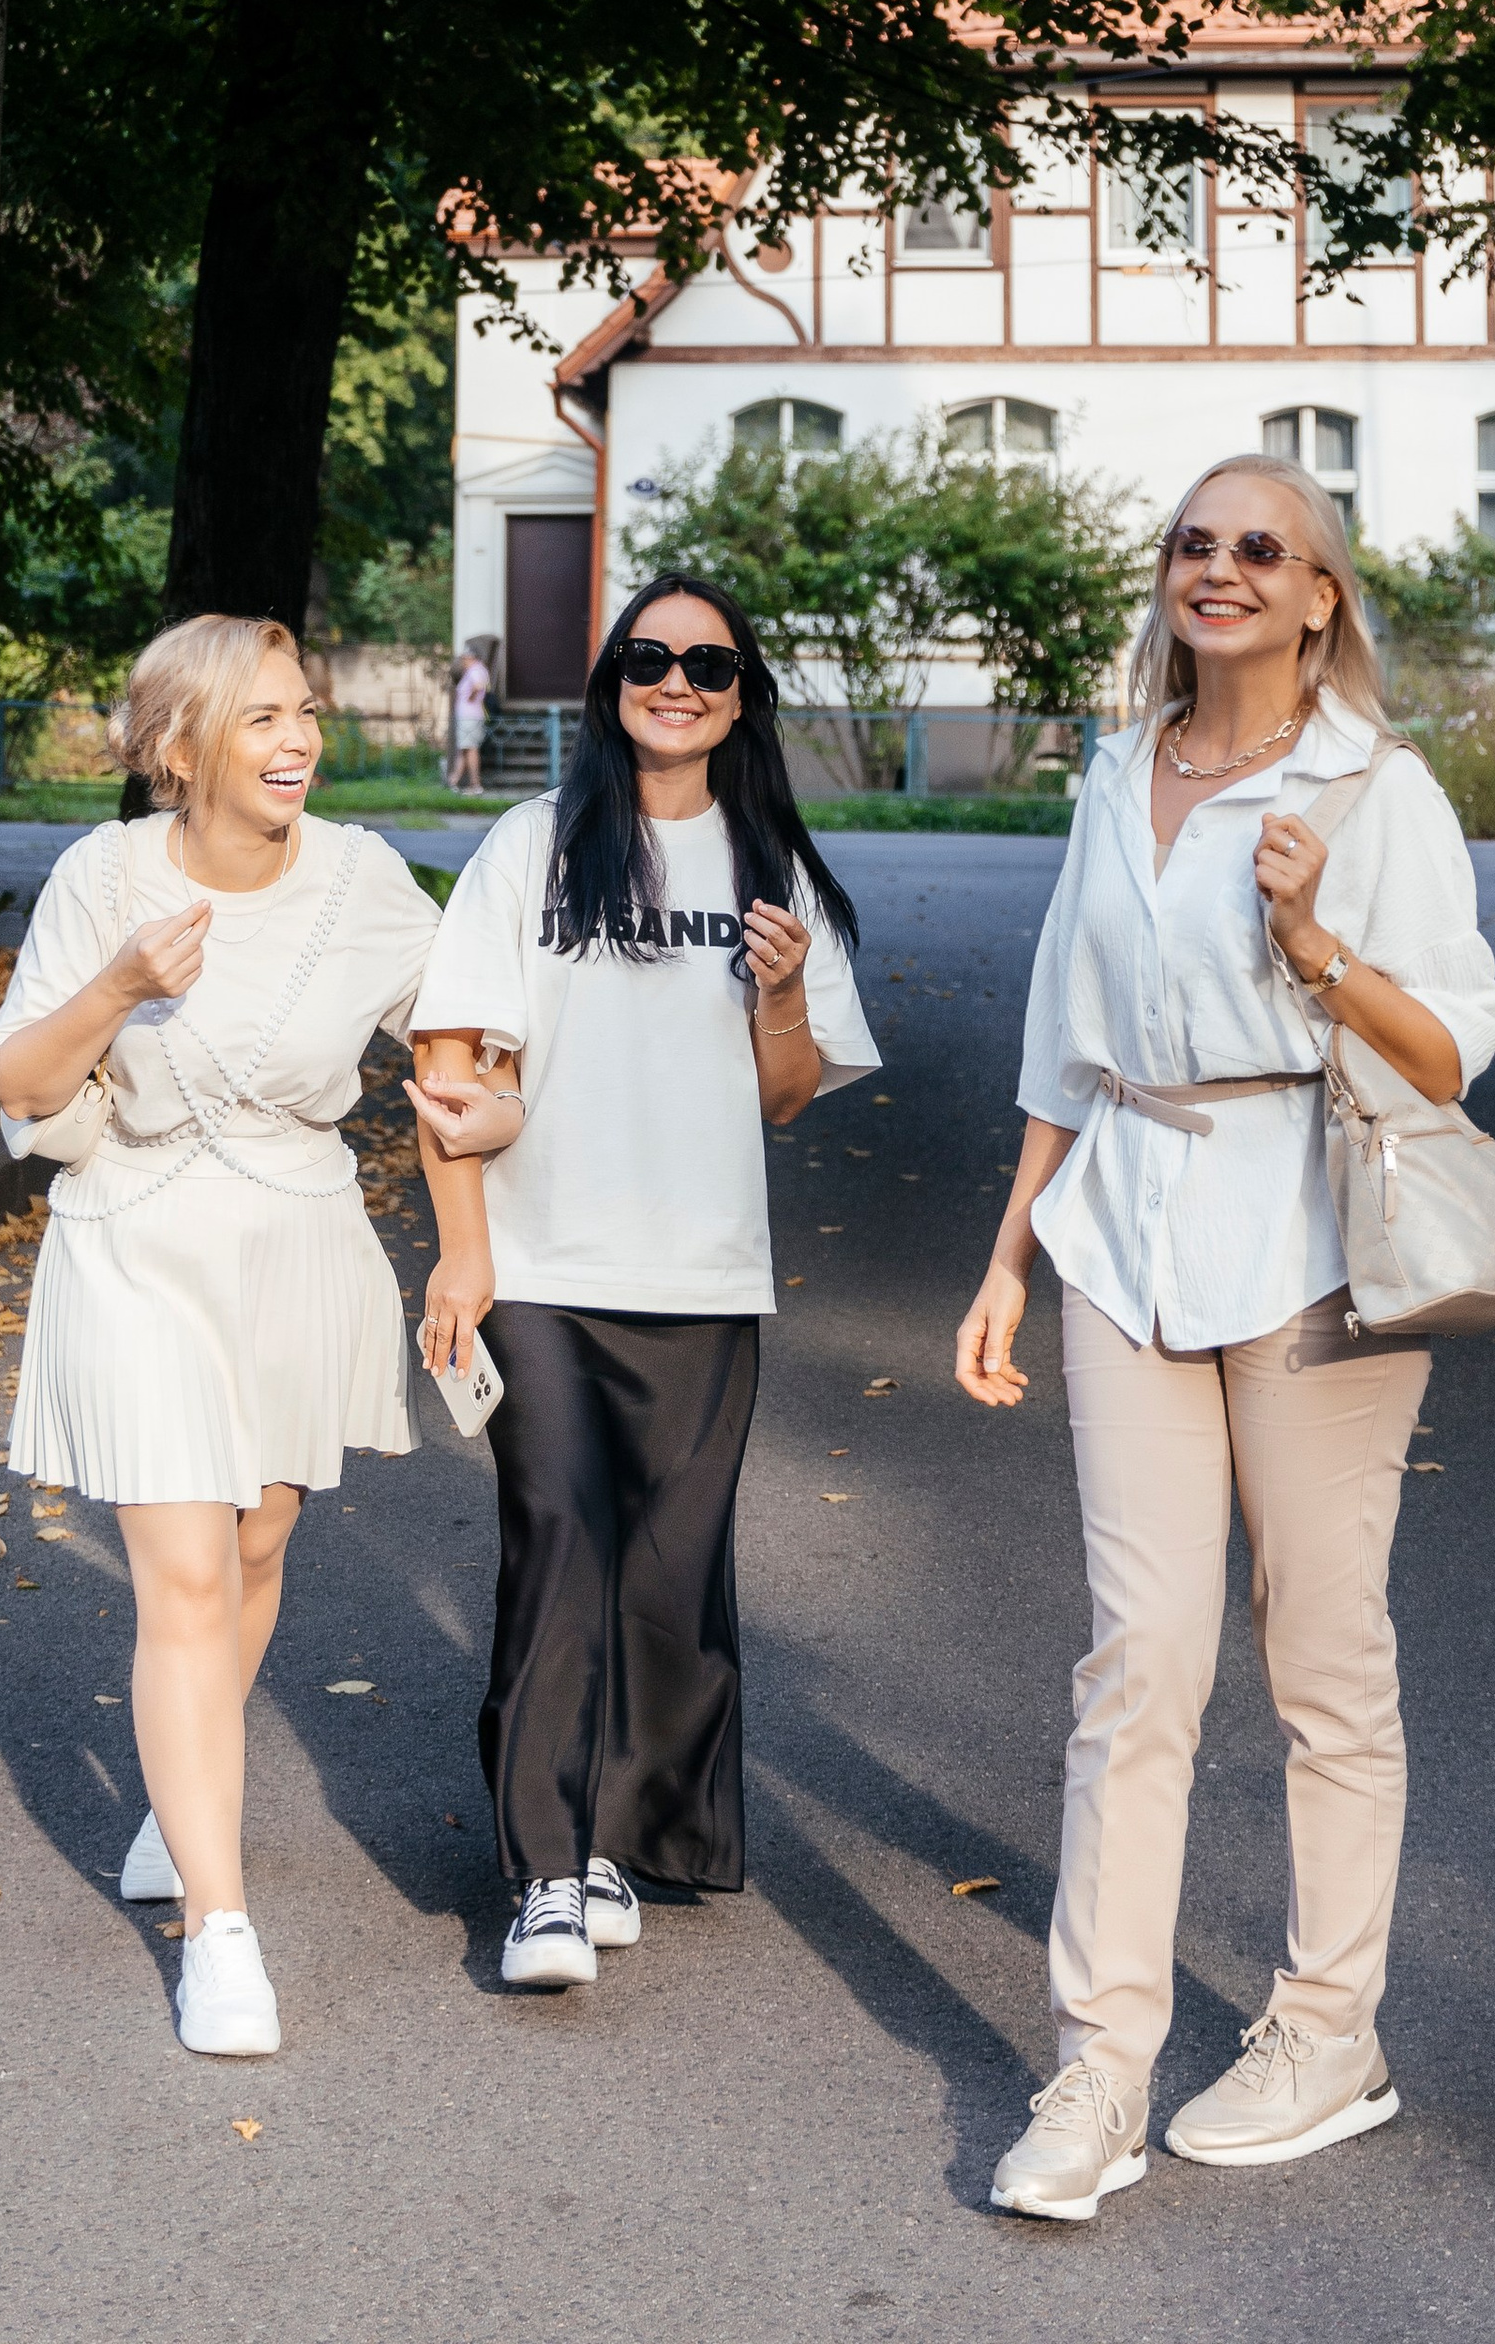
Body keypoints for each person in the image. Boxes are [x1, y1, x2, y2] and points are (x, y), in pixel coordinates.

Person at [955, 455, 1495, 2220]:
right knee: (1139, 1661)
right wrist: (1007, 1259)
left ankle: (1326, 2032)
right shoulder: (1120, 771)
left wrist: (1310, 938)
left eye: (1261, 548)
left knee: (1324, 1657)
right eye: (1195, 543)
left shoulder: (1379, 790)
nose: (1221, 569)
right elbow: (1066, 1031)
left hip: (1309, 1237)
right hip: (1123, 1226)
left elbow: (1453, 1052)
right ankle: (1097, 2070)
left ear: (1320, 594)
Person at [403, 571, 883, 1989]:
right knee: (560, 1534)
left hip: (705, 1271)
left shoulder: (771, 872)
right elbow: (452, 1062)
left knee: (669, 1571)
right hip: (543, 1260)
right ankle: (547, 1873)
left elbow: (787, 1098)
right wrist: (465, 1250)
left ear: (745, 701)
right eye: (651, 657)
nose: (678, 682)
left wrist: (783, 995)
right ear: (612, 678)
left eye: (712, 666)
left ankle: (616, 1839)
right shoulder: (532, 846)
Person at [0, 614, 441, 2060]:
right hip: (131, 1245)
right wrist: (120, 984)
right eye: (258, 718)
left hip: (299, 1251)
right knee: (184, 1572)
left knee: (253, 1552)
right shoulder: (100, 877)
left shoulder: (367, 882)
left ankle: (172, 1803)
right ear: (178, 751)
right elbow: (17, 1076)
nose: (297, 738)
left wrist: (487, 1110)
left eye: (302, 711)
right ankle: (220, 1931)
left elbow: (471, 1036)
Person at [446, 638, 493, 795]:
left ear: (471, 657)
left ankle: (475, 783)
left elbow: (479, 685)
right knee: (464, 748)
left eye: (465, 658)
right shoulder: (476, 670)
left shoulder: (476, 670)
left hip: (470, 716)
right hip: (468, 716)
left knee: (470, 748)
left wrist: (471, 697)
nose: (463, 661)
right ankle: (454, 780)